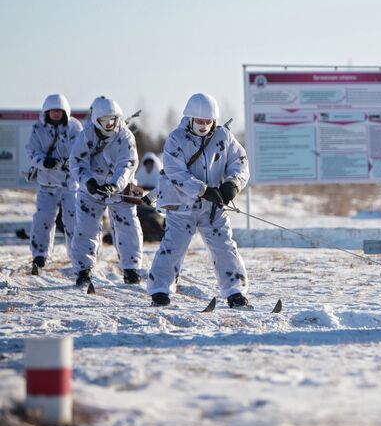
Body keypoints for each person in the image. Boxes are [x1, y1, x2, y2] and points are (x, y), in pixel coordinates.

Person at [146, 93, 250, 308]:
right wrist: (202, 190)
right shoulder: (176, 139)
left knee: (225, 247)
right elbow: (176, 172)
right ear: (190, 118)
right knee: (174, 247)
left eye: (208, 121)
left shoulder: (224, 137)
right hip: (181, 206)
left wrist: (233, 184)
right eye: (199, 121)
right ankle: (160, 291)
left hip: (214, 207)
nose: (203, 125)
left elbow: (240, 162)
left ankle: (235, 292)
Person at [69, 96, 143, 286]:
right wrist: (88, 182)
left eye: (113, 119)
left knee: (128, 227)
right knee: (86, 228)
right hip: (91, 190)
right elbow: (77, 162)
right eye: (104, 120)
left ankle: (131, 269)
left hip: (119, 190)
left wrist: (115, 185)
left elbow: (127, 164)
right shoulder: (86, 136)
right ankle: (83, 270)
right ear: (96, 120)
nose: (109, 124)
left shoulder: (125, 136)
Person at [26, 94, 83, 274]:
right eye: (53, 111)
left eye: (59, 111)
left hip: (70, 184)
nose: (56, 114)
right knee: (43, 219)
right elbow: (31, 151)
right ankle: (39, 254)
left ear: (65, 112)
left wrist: (70, 162)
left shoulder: (75, 128)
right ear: (46, 112)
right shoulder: (38, 129)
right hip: (47, 184)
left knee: (74, 221)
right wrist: (44, 161)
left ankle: (77, 255)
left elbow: (81, 150)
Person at [134, 152, 165, 242]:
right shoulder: (140, 175)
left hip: (157, 205)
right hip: (143, 205)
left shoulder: (160, 176)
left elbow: (161, 191)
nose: (149, 167)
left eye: (151, 164)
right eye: (147, 165)